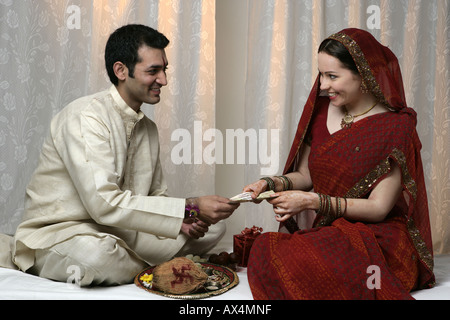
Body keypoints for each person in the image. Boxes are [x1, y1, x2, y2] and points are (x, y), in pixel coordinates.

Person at [6, 24, 239, 286]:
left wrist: (183, 222)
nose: (163, 80)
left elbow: (156, 197)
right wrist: (189, 207)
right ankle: (158, 267)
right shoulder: (86, 117)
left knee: (213, 228)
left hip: (123, 232)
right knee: (100, 256)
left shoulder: (147, 129)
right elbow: (103, 204)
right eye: (153, 71)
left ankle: (142, 265)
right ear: (121, 70)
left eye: (164, 70)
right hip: (66, 232)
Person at [243, 28, 435, 299]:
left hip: (378, 238)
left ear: (363, 74)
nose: (322, 85)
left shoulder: (395, 127)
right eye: (321, 74)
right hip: (331, 231)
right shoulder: (322, 111)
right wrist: (268, 184)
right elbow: (305, 175)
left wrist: (311, 202)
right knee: (267, 248)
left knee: (308, 264)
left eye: (332, 76)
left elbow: (379, 208)